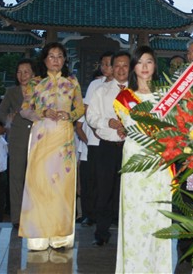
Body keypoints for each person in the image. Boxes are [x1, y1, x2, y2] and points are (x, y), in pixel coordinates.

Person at [18, 42, 85, 251]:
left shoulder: (72, 82)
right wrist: (42, 112)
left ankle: (60, 236)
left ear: (65, 60)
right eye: (51, 56)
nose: (56, 60)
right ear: (45, 59)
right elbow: (24, 110)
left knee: (61, 185)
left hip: (64, 138)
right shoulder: (35, 83)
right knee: (39, 183)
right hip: (42, 136)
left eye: (60, 56)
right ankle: (37, 236)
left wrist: (70, 115)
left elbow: (81, 108)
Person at [116, 46, 174, 273]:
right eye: (139, 62)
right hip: (135, 158)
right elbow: (130, 127)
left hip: (160, 161)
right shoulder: (123, 98)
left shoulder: (167, 96)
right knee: (135, 214)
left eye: (149, 61)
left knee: (158, 214)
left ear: (155, 65)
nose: (144, 66)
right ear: (134, 67)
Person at [86, 51, 131, 246]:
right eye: (117, 65)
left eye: (125, 65)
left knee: (126, 192)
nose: (121, 69)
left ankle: (126, 234)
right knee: (104, 190)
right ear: (112, 68)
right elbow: (91, 117)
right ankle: (101, 233)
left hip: (130, 148)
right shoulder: (101, 91)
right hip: (107, 148)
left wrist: (130, 128)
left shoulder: (137, 92)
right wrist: (108, 122)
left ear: (131, 68)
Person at [76, 51, 115, 228]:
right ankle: (89, 215)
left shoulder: (124, 85)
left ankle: (108, 216)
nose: (106, 67)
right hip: (94, 139)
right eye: (103, 64)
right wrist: (94, 129)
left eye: (110, 64)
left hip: (113, 139)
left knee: (107, 181)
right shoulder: (95, 84)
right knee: (91, 180)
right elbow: (87, 110)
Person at [0, 58, 36, 228]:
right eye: (19, 72)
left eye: (26, 72)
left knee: (36, 178)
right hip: (18, 139)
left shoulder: (41, 90)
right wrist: (8, 119)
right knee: (16, 179)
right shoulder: (11, 92)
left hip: (38, 138)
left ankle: (35, 216)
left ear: (33, 74)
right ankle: (17, 219)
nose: (22, 75)